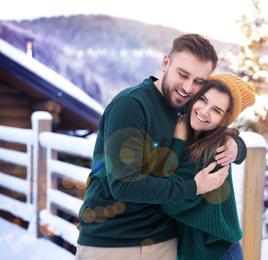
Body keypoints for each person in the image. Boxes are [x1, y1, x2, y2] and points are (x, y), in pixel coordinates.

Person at [75, 34, 248, 260]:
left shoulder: (190, 108)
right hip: (115, 241)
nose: (187, 87)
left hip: (165, 241)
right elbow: (124, 185)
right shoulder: (131, 105)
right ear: (166, 63)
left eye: (198, 82)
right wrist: (192, 187)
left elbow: (216, 130)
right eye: (183, 74)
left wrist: (236, 146)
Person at [161, 73, 256, 260]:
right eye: (203, 100)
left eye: (216, 110)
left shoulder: (212, 150)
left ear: (224, 121)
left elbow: (168, 199)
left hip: (217, 253)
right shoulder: (194, 135)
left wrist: (178, 142)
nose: (204, 111)